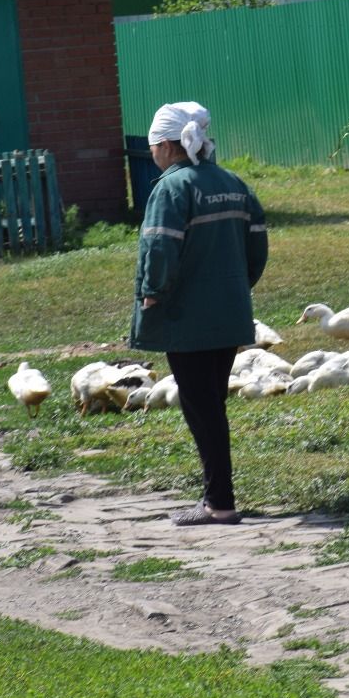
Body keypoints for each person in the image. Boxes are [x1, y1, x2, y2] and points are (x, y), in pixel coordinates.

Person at [131, 101, 267, 526]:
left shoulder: (171, 188)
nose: (152, 153)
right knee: (212, 403)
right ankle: (217, 495)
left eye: (154, 145)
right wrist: (235, 288)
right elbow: (256, 246)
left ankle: (219, 502)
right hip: (228, 315)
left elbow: (159, 245)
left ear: (168, 146)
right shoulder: (234, 183)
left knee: (200, 408)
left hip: (186, 319)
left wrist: (153, 293)